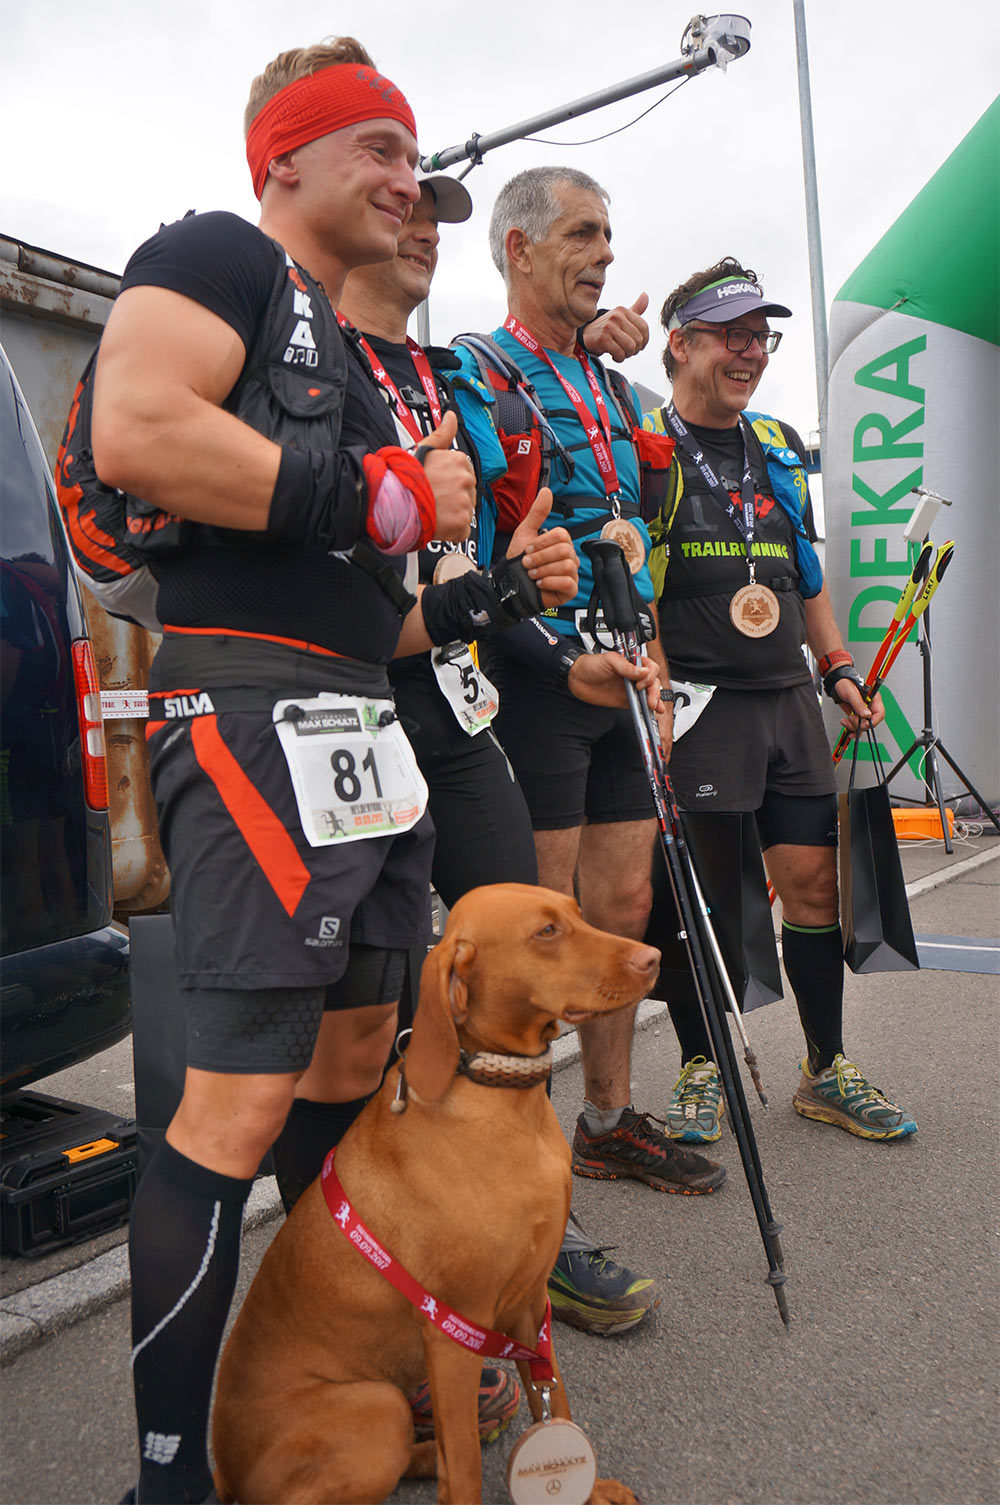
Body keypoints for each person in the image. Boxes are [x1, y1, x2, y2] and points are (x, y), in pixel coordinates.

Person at [89, 38, 564, 1505]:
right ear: (285, 157)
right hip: (248, 718)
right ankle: (171, 1476)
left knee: (354, 1067)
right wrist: (374, 488)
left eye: (414, 153)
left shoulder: (350, 363)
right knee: (232, 1109)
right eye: (379, 148)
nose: (408, 179)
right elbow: (135, 428)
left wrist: (483, 595)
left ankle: (346, 1350)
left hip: (361, 726)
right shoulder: (216, 253)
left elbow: (372, 615)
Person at [336, 172, 663, 1337]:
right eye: (583, 233)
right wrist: (519, 615)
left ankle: (546, 1203)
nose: (421, 231)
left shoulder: (445, 370)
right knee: (380, 1011)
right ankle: (390, 1246)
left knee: (542, 947)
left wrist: (514, 589)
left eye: (435, 218)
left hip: (458, 694)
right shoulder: (393, 363)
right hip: (367, 697)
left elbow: (476, 545)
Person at [452, 166, 727, 1198]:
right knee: (537, 926)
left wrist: (655, 666)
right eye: (581, 234)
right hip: (537, 684)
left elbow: (635, 540)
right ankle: (507, 1156)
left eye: (608, 234)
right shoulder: (477, 369)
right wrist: (564, 662)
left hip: (626, 678)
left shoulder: (614, 386)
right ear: (518, 248)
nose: (605, 253)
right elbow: (472, 562)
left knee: (620, 906)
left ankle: (606, 1121)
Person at [642, 256, 918, 1144]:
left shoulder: (778, 442)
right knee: (713, 905)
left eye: (761, 337)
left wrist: (837, 667)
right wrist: (655, 690)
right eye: (732, 334)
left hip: (788, 701)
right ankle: (702, 1065)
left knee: (812, 889)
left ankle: (824, 1067)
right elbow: (636, 590)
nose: (751, 351)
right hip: (701, 710)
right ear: (679, 344)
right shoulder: (647, 450)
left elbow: (805, 577)